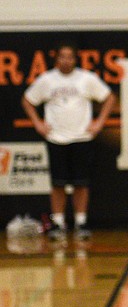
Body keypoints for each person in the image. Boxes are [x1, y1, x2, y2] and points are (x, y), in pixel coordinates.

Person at [21, 42, 116, 241]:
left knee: (81, 183)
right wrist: (38, 123)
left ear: (75, 59)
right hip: (56, 138)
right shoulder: (47, 80)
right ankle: (58, 222)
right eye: (62, 57)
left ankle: (81, 222)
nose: (66, 60)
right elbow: (28, 100)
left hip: (81, 137)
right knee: (58, 184)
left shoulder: (86, 79)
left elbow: (109, 98)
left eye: (70, 57)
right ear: (57, 60)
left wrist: (99, 123)